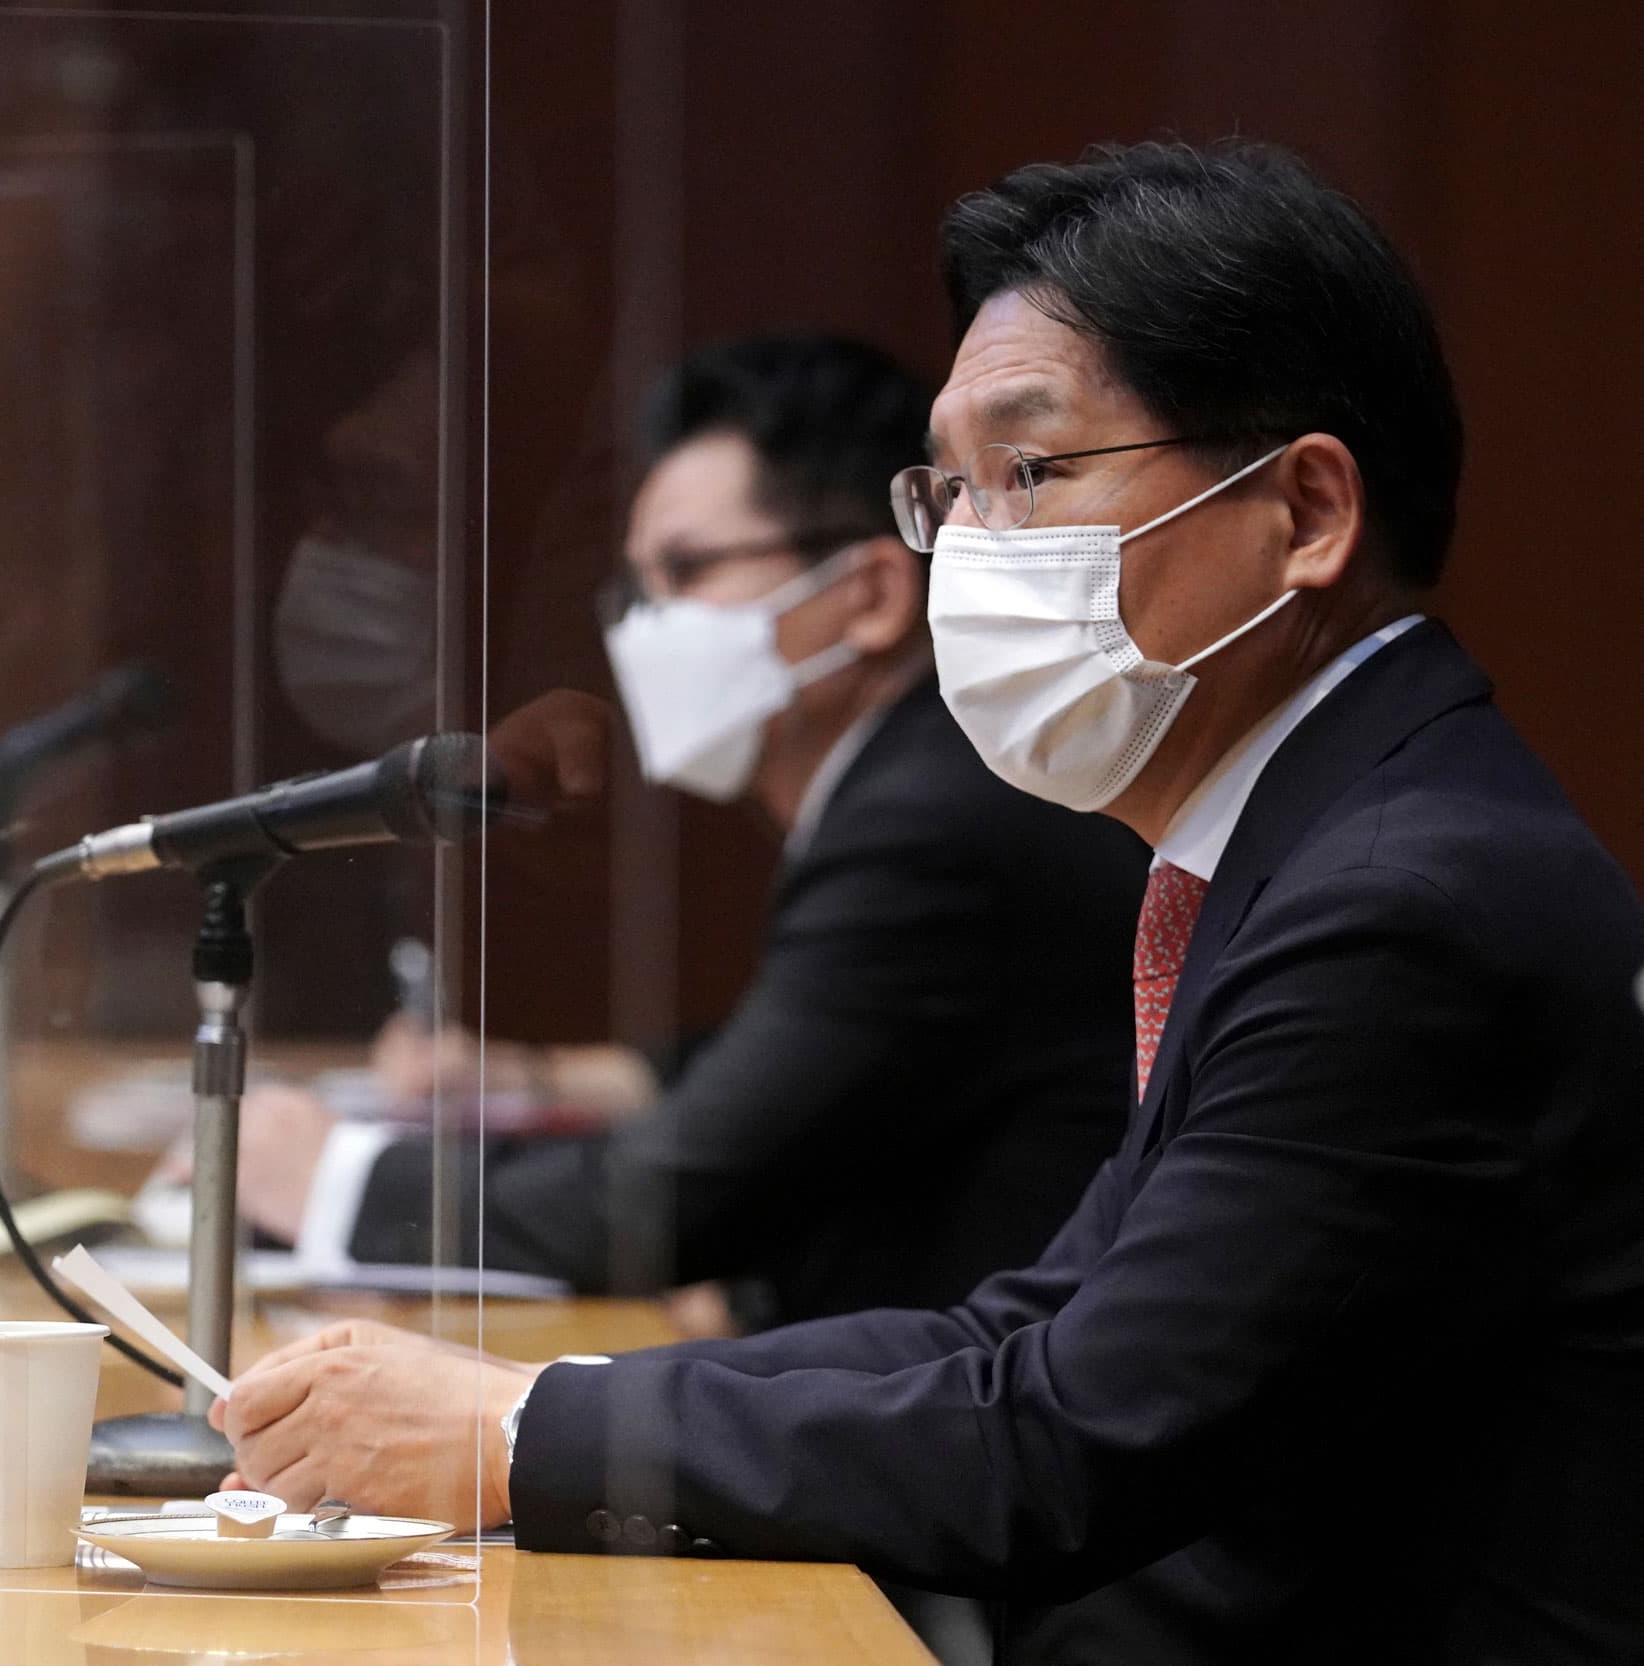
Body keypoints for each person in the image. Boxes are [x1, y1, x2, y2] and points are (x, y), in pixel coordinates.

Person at [212, 141, 1644, 1665]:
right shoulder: (1324, 834)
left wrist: (521, 1434)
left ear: (1302, 514)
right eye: (947, 490)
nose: (968, 548)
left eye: (1030, 474)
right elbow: (1018, 1327)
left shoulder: (1397, 901)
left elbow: (1071, 1439)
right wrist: (524, 1407)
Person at [232, 334, 1148, 1332]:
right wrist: (551, 1080)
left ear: (872, 594)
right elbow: (816, 1053)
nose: (643, 629)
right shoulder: (913, 781)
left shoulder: (930, 821)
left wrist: (338, 1181)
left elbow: (679, 1199)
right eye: (635, 587)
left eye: (687, 570)